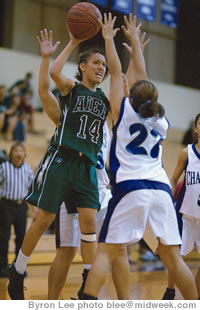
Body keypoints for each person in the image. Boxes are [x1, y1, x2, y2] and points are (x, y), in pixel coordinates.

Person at [82, 13, 198, 300]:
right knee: (174, 259)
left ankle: (87, 301)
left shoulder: (122, 112)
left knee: (106, 251)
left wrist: (110, 39)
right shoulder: (162, 121)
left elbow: (118, 69)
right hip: (160, 190)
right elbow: (144, 82)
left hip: (131, 187)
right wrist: (136, 44)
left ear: (130, 97)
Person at [7, 27, 109, 300]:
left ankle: (88, 278)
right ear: (83, 67)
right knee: (44, 219)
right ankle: (17, 271)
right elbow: (52, 76)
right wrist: (73, 42)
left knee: (90, 223)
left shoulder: (104, 100)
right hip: (62, 159)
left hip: (87, 165)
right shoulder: (72, 90)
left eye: (104, 64)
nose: (101, 67)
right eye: (96, 62)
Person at [162, 113, 200, 300]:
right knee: (176, 256)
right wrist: (167, 200)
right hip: (186, 213)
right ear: (195, 128)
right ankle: (170, 290)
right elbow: (174, 179)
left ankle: (196, 298)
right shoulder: (187, 153)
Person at [0, 142, 34, 278]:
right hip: (6, 206)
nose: (19, 153)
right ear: (11, 153)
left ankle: (18, 268)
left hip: (21, 206)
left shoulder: (28, 169)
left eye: (21, 151)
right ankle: (2, 268)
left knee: (21, 238)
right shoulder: (3, 167)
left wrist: (34, 209)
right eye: (16, 150)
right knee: (4, 237)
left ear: (24, 154)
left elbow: (32, 190)